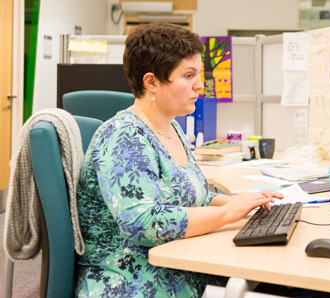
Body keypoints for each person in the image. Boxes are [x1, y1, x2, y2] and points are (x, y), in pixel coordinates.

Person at [75, 22, 283, 297]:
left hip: (178, 267)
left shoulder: (171, 129)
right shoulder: (124, 137)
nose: (200, 84)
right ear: (151, 82)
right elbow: (143, 223)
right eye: (188, 75)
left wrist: (240, 203)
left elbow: (193, 198)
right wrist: (227, 214)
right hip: (131, 283)